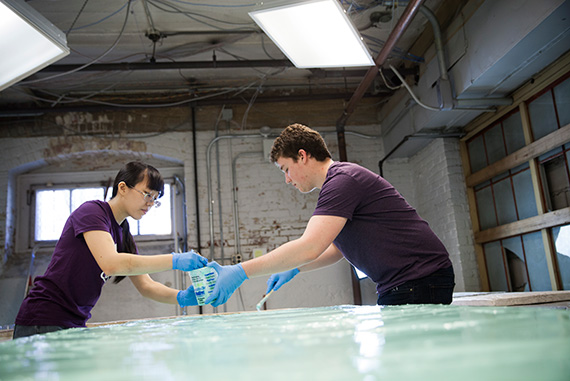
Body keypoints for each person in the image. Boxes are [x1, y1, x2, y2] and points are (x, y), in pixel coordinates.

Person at [205, 123, 455, 307]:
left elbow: (310, 246)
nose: (287, 179)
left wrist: (240, 271)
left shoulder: (342, 181)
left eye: (286, 169)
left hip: (419, 278)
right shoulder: (338, 184)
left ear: (302, 156)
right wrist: (296, 269)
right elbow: (336, 250)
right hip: (409, 280)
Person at [13, 161, 207, 339]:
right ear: (122, 188)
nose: (150, 203)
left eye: (155, 199)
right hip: (44, 317)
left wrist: (184, 297)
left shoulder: (123, 233)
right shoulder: (92, 212)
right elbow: (112, 264)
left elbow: (147, 286)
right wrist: (175, 260)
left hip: (74, 321)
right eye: (147, 194)